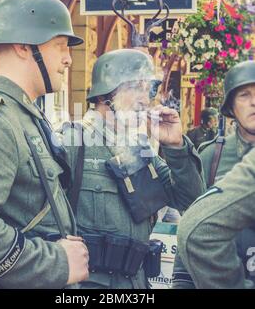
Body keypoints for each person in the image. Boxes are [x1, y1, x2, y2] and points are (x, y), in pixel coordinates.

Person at [0, 0, 89, 289]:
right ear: (23, 46)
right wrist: (56, 263)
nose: (68, 59)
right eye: (60, 46)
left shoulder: (22, 116)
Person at [60, 49, 205, 289]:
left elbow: (192, 202)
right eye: (136, 87)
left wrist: (176, 147)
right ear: (108, 91)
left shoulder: (141, 148)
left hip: (135, 283)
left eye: (147, 89)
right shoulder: (72, 140)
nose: (145, 99)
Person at [176, 60, 255, 289]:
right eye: (244, 95)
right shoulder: (213, 155)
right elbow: (193, 220)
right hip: (221, 276)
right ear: (230, 106)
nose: (253, 102)